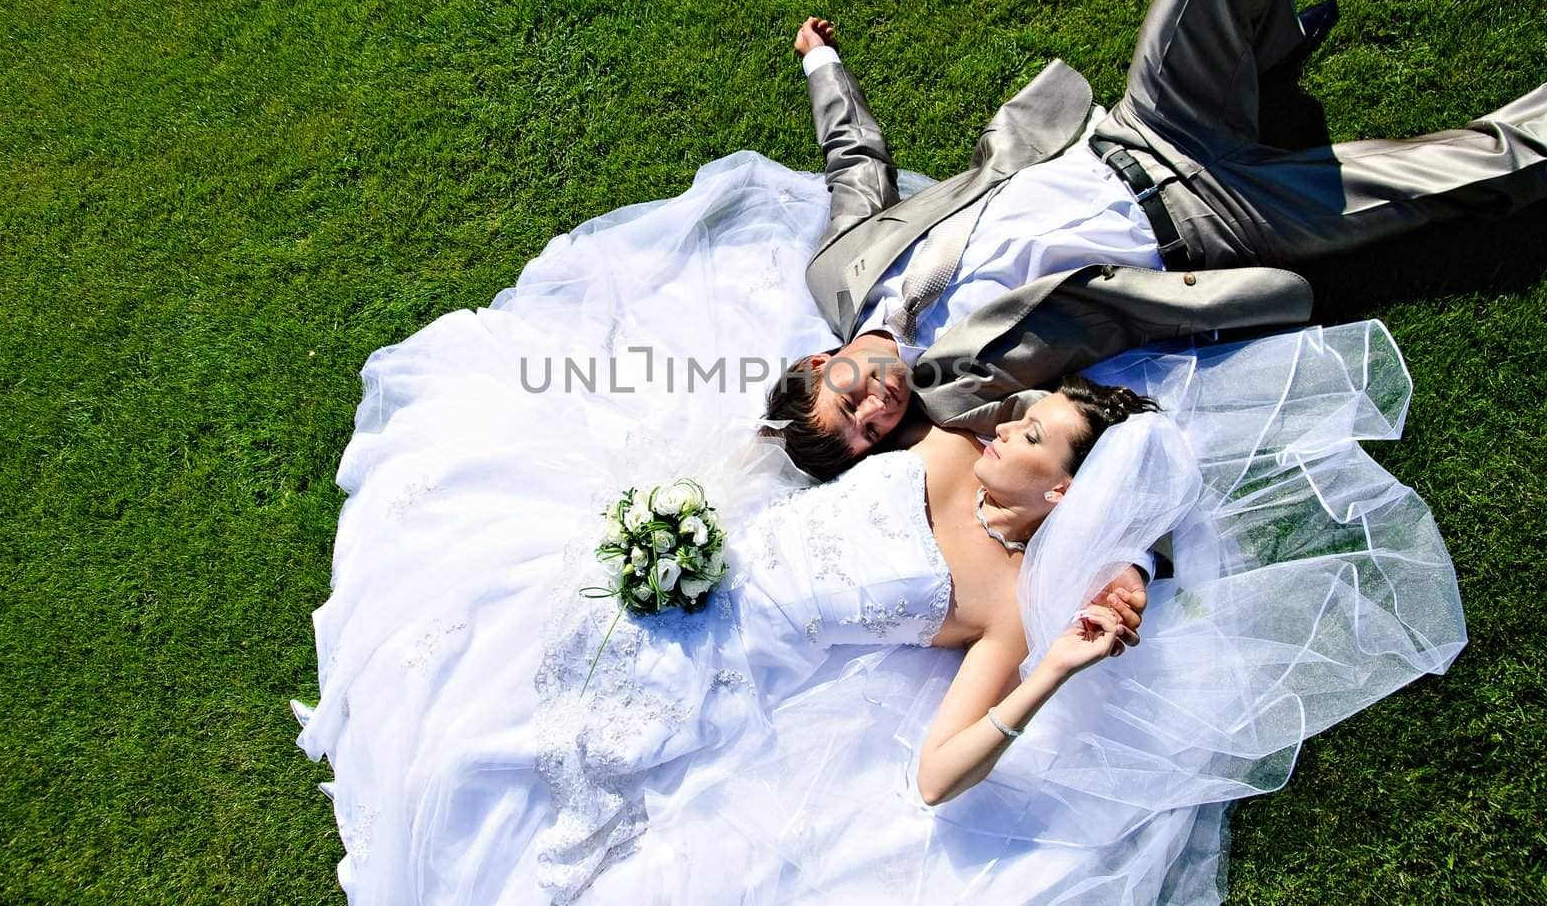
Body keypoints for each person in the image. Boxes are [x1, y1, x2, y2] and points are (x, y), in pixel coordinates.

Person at [289, 147, 1465, 904]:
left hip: (736, 683)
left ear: (1061, 495)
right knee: (474, 696)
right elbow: (882, 372)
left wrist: (1053, 664)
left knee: (520, 803)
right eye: (1021, 416)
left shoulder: (1005, 612)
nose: (1003, 427)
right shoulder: (944, 438)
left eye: (1033, 435)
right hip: (693, 575)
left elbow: (939, 776)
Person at [763, 0, 1546, 487]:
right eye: (870, 437)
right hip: (1213, 223)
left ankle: (1266, 63)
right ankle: (1268, 87)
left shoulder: (840, 270)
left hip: (1141, 128)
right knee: (1472, 169)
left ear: (815, 365)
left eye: (849, 403)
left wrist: (820, 62)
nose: (879, 410)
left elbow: (855, 165)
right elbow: (1060, 435)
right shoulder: (954, 400)